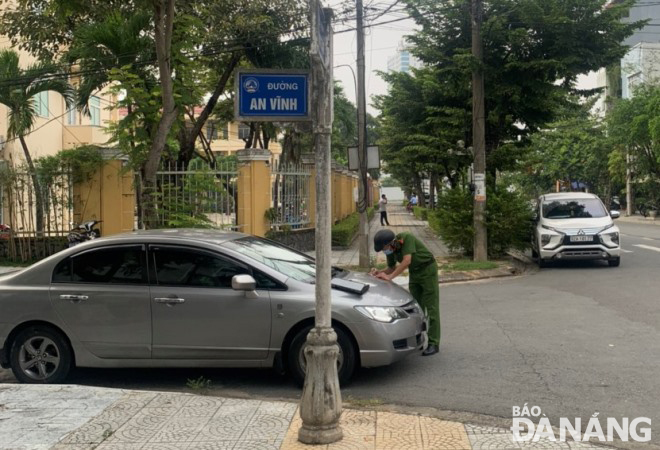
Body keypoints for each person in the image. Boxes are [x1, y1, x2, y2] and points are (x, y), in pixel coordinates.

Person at [370, 229, 440, 356]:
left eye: (384, 248)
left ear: (391, 243)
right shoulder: (390, 250)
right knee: (416, 308)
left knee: (431, 308)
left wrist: (390, 277)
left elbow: (407, 260)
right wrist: (379, 273)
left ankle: (434, 343)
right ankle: (418, 340)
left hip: (428, 270)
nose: (385, 251)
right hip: (415, 273)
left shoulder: (407, 238)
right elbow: (391, 268)